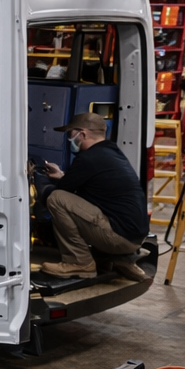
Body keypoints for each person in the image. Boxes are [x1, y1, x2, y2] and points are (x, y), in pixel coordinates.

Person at [36, 112, 149, 281]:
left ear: (82, 134)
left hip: (119, 237)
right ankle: (117, 259)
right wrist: (62, 175)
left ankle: (79, 262)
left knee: (56, 199)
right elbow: (90, 182)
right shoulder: (111, 152)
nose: (69, 139)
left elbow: (58, 193)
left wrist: (39, 185)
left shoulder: (88, 158)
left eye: (70, 134)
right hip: (135, 238)